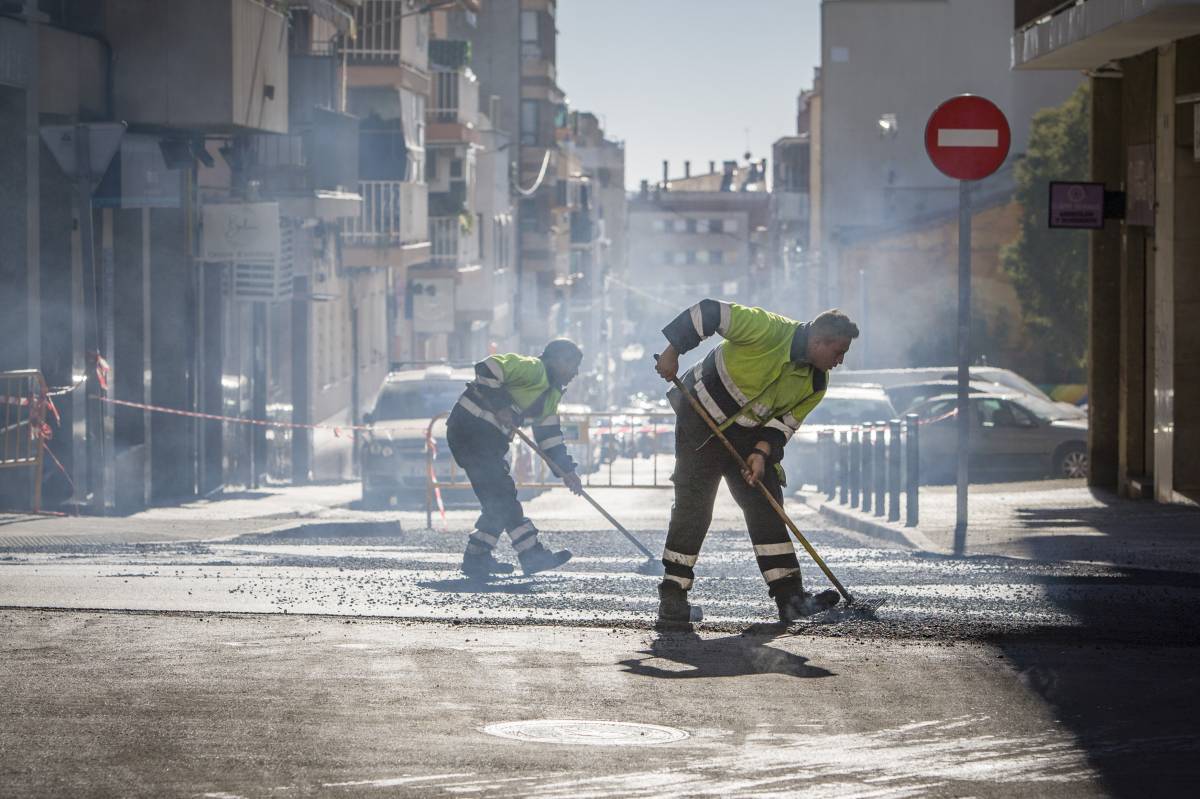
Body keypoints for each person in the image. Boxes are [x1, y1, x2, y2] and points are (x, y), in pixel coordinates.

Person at [653, 301, 859, 625]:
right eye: (838, 352)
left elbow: (783, 424)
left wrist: (761, 454)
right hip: (698, 423)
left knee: (766, 504)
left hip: (747, 438)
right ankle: (673, 596)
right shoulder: (765, 328)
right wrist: (672, 351)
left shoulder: (816, 383)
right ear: (819, 341)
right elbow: (709, 312)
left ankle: (790, 597)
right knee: (694, 509)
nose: (840, 361)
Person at [447, 339, 585, 578]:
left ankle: (477, 557)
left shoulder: (551, 396)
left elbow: (550, 439)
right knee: (501, 496)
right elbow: (488, 367)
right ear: (555, 359)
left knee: (498, 500)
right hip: (470, 431)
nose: (575, 372)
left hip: (487, 441)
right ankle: (531, 554)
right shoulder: (533, 369)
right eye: (572, 364)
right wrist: (502, 405)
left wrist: (566, 471)